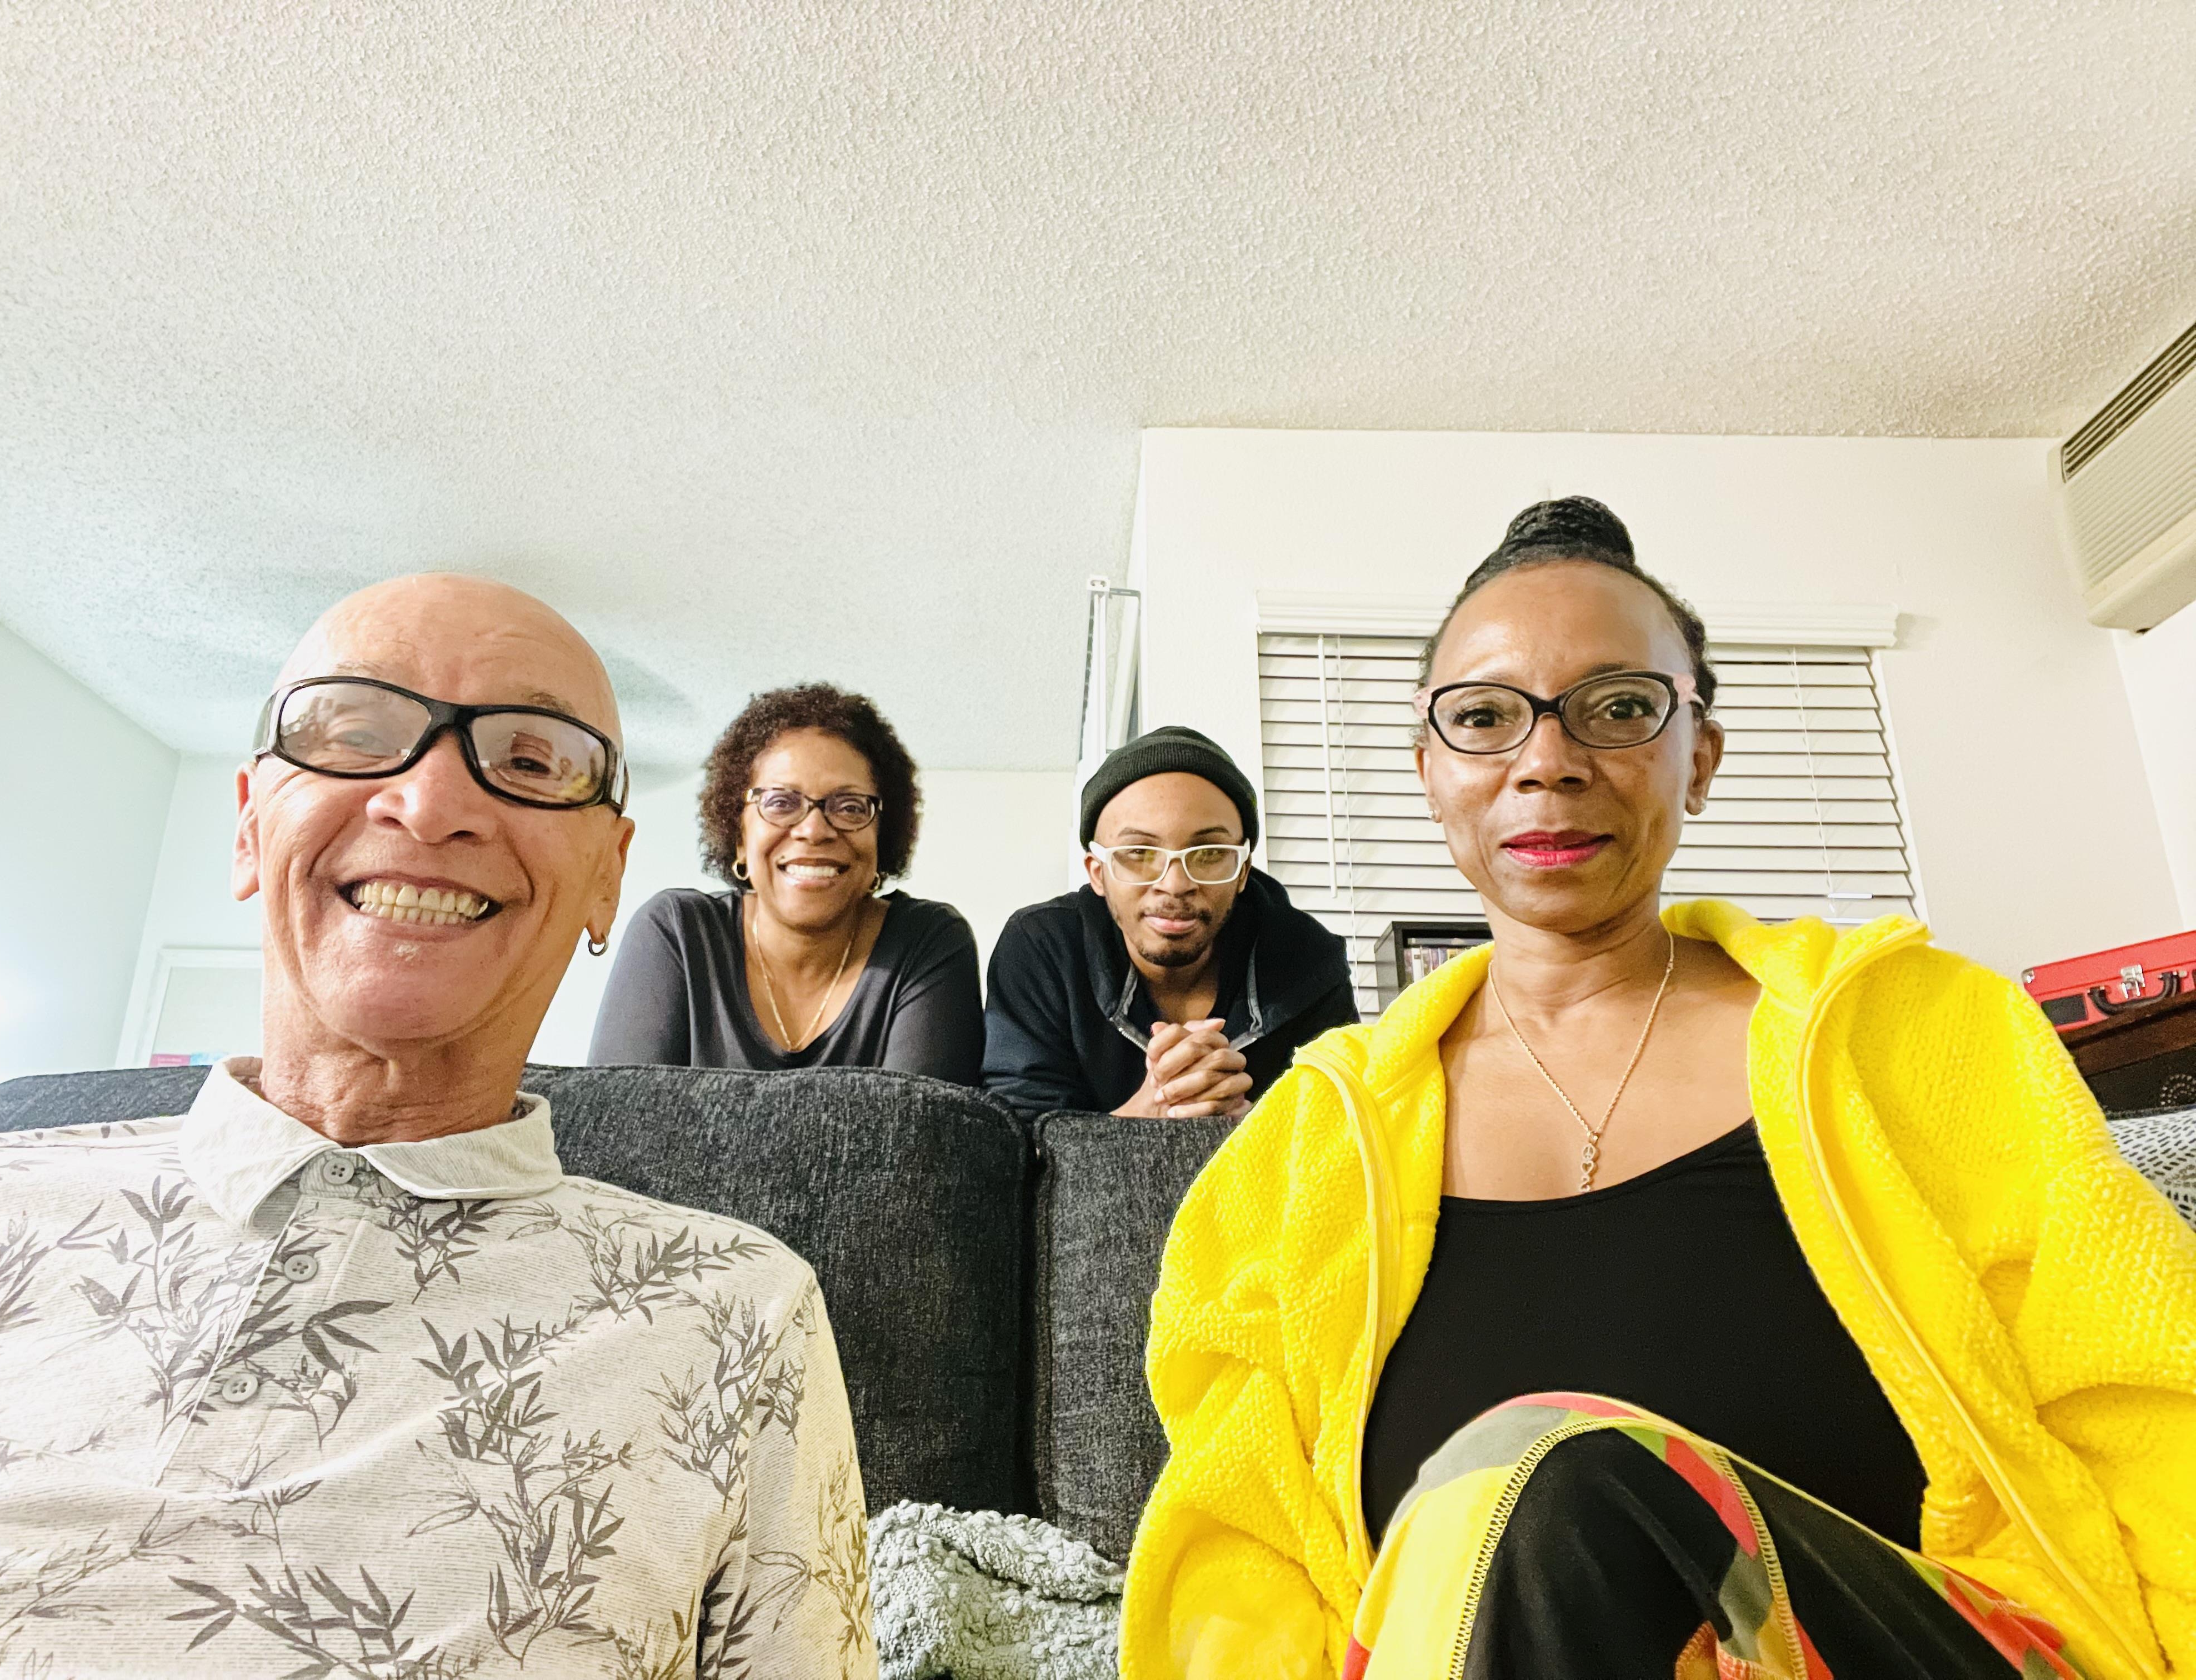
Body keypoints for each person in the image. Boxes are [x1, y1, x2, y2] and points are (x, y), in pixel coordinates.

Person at [1121, 499, 2196, 1680]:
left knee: (1562, 1472)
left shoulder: (1927, 1035)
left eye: (1621, 709)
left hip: (1933, 1649)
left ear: (1702, 756)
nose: (1548, 760)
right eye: (1484, 719)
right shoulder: (1300, 1155)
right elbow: (1240, 1564)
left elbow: (2148, 1398)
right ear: (1430, 775)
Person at [0, 576, 877, 1680]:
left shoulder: (742, 1307)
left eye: (532, 761)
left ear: (606, 877)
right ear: (250, 826)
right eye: (355, 733)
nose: (430, 802)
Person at [588, 683, 983, 1082]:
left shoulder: (928, 944)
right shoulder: (678, 933)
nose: (813, 830)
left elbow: (920, 1136)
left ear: (883, 835)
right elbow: (622, 1127)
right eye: (780, 803)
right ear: (739, 837)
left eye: (849, 807)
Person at [984, 725, 1357, 1118]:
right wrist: (1157, 1107)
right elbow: (1020, 1150)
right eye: (1140, 853)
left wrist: (1246, 1127)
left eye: (1209, 853)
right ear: (1097, 873)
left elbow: (1345, 1137)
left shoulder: (1309, 962)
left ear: (1243, 870)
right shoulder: (1043, 950)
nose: (1175, 885)